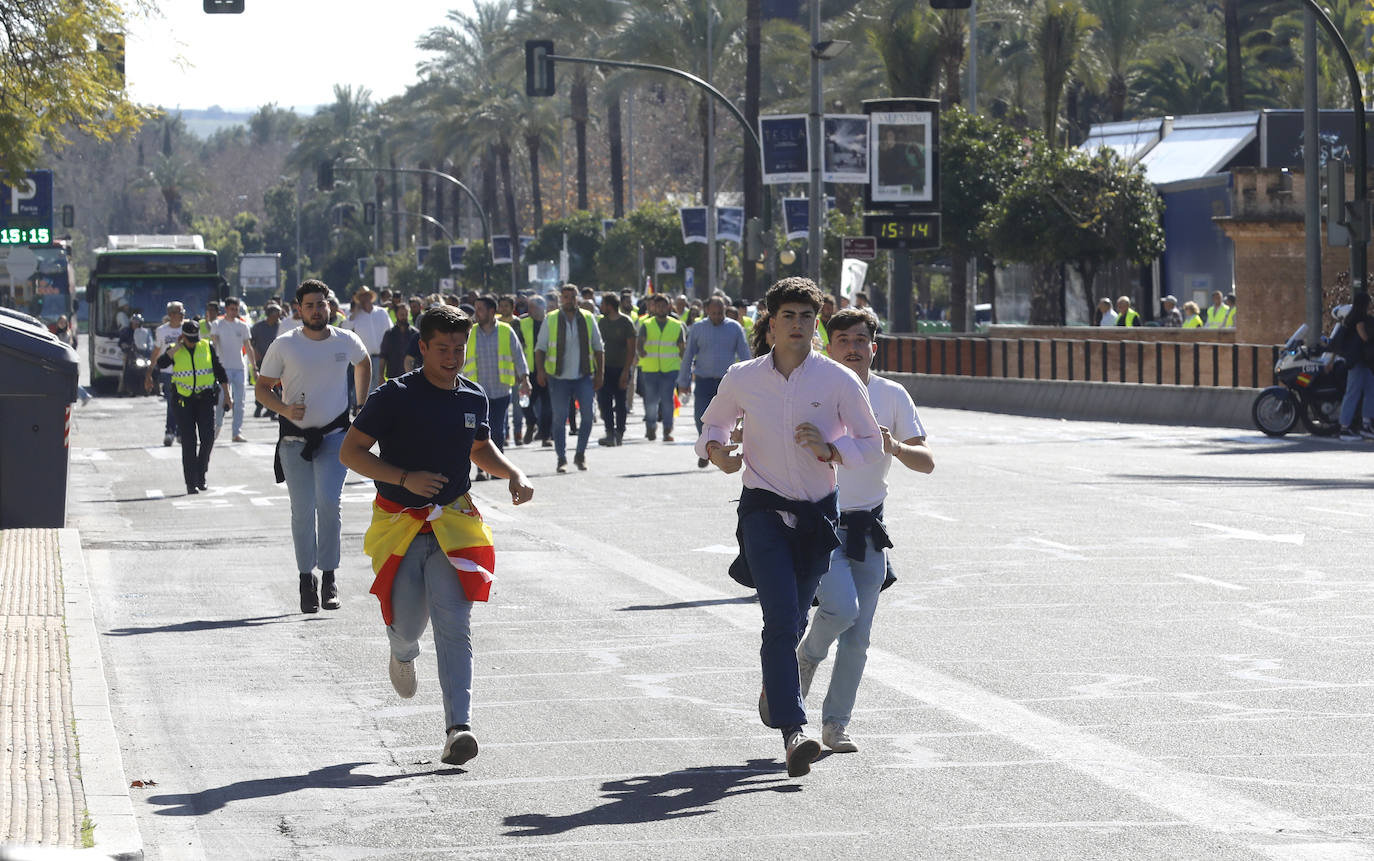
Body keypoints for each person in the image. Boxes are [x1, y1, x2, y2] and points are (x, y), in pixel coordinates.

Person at [694, 277, 883, 778]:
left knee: (796, 619)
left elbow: (871, 443)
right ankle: (794, 732)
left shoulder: (839, 381)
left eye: (806, 317)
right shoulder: (742, 377)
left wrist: (832, 449)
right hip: (761, 509)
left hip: (818, 515)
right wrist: (719, 453)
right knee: (778, 618)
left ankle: (775, 688)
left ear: (815, 323)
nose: (798, 325)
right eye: (788, 316)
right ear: (770, 322)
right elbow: (712, 427)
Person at [340, 303, 534, 768]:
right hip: (400, 524)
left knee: (455, 624)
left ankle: (458, 728)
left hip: (454, 523)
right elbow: (351, 452)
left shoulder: (472, 397)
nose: (452, 357)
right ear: (422, 348)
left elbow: (479, 446)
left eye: (459, 348)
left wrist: (513, 472)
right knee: (409, 626)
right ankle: (402, 653)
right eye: (442, 348)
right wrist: (405, 477)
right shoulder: (393, 396)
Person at [797, 309, 933, 753]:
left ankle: (835, 725)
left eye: (861, 340)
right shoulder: (809, 391)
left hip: (868, 527)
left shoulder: (892, 395)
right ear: (827, 346)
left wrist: (893, 444)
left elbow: (926, 460)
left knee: (858, 638)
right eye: (843, 340)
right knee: (841, 610)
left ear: (873, 348)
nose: (852, 348)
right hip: (820, 523)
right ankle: (807, 657)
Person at [255, 280, 371, 614]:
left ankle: (330, 577)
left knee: (329, 504)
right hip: (294, 441)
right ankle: (306, 580)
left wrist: (360, 405)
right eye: (310, 305)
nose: (317, 310)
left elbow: (362, 363)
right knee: (302, 510)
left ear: (330, 306)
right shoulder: (285, 345)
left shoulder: (345, 340)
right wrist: (284, 409)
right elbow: (263, 388)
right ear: (298, 309)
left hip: (335, 437)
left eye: (322, 304)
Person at [154, 319, 230, 495]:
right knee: (189, 442)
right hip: (183, 401)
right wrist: (176, 348)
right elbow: (161, 364)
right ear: (183, 337)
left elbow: (220, 371)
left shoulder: (206, 346)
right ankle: (190, 482)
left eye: (195, 338)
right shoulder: (175, 350)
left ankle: (201, 475)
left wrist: (227, 396)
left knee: (208, 438)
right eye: (190, 339)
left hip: (204, 399)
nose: (194, 342)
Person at [535, 284, 604, 473]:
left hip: (583, 376)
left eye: (572, 297)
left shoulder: (588, 318)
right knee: (560, 418)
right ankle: (561, 457)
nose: (569, 300)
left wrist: (600, 373)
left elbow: (598, 348)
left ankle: (580, 454)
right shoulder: (551, 319)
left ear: (578, 299)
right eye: (565, 297)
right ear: (560, 299)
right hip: (558, 378)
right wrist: (540, 371)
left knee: (588, 416)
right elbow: (540, 348)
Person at [678, 296, 750, 467]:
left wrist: (750, 380)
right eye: (714, 313)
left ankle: (717, 449)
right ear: (707, 311)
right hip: (703, 381)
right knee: (700, 418)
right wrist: (684, 380)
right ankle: (707, 446)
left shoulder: (735, 328)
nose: (717, 316)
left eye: (721, 313)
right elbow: (688, 356)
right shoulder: (698, 328)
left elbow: (745, 356)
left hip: (726, 384)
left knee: (725, 421)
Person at [463, 295, 530, 475]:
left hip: (500, 390)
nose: (476, 313)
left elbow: (518, 356)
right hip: (476, 392)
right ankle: (481, 469)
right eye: (475, 309)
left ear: (492, 312)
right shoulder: (470, 332)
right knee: (477, 432)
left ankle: (497, 468)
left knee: (497, 431)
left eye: (480, 309)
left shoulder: (506, 331)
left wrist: (525, 379)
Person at [637, 294, 684, 443]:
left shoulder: (677, 325)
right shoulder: (647, 324)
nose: (661, 308)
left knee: (667, 401)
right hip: (650, 369)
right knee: (651, 401)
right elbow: (640, 342)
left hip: (670, 370)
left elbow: (682, 347)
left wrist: (685, 368)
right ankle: (651, 427)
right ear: (653, 307)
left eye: (664, 306)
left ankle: (667, 430)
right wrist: (641, 351)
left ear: (669, 307)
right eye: (658, 306)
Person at [596, 293, 637, 447]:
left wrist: (626, 371)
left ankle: (619, 432)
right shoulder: (601, 323)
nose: (601, 308)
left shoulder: (626, 322)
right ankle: (609, 432)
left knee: (620, 402)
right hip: (605, 369)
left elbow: (631, 348)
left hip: (621, 368)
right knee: (604, 402)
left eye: (603, 305)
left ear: (610, 306)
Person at [213, 296, 254, 442]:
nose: (234, 312)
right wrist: (215, 364)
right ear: (226, 309)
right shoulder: (218, 324)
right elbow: (215, 343)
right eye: (231, 309)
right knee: (221, 399)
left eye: (236, 309)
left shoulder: (242, 326)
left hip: (239, 368)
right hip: (223, 368)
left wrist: (253, 366)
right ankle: (216, 426)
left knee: (239, 401)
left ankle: (236, 432)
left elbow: (248, 347)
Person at [147, 301, 188, 446]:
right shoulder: (162, 331)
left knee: (184, 404)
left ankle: (181, 432)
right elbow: (157, 351)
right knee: (172, 403)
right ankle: (170, 431)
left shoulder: (187, 329)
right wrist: (150, 372)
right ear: (171, 315)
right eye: (179, 313)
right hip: (168, 372)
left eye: (183, 312)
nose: (182, 315)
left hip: (186, 372)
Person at [1337, 292, 1374, 441]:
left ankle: (1366, 424)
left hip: (1363, 361)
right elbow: (1363, 337)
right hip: (1357, 360)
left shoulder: (1351, 318)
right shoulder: (1358, 319)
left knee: (1370, 389)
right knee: (1353, 392)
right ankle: (1344, 427)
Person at [518, 296, 553, 446]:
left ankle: (546, 437)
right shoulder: (522, 322)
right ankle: (531, 422)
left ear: (541, 307)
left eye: (532, 307)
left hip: (549, 370)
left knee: (548, 406)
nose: (529, 310)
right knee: (524, 402)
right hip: (529, 370)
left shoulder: (552, 322)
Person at [345, 286, 392, 398]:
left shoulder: (381, 313)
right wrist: (355, 311)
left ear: (371, 297)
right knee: (366, 391)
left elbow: (390, 331)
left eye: (366, 296)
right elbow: (346, 327)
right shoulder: (355, 316)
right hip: (364, 359)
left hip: (382, 358)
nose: (364, 299)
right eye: (362, 297)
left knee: (382, 388)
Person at [250, 304, 283, 418]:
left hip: (277, 360)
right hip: (261, 360)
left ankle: (273, 410)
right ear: (271, 314)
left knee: (277, 386)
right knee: (263, 385)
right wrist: (255, 354)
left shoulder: (281, 326)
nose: (280, 315)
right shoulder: (258, 327)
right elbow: (251, 342)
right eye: (277, 313)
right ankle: (259, 407)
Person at [379, 302, 416, 381]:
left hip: (411, 376)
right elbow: (383, 356)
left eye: (406, 314)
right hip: (393, 374)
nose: (404, 317)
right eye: (401, 314)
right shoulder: (389, 334)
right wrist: (381, 375)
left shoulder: (415, 334)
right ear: (396, 315)